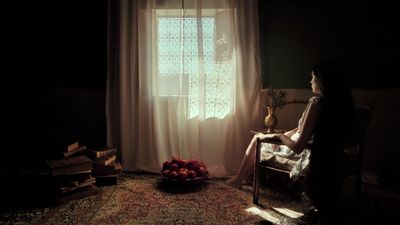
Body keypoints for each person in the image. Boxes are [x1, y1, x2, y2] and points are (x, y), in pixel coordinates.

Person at [226, 60, 354, 223]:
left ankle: (238, 179)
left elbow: (298, 146)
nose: (310, 81)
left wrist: (280, 136)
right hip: (331, 155)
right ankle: (243, 177)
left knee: (258, 137)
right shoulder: (344, 104)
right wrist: (285, 133)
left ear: (321, 80)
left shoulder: (317, 103)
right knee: (266, 137)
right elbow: (306, 129)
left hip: (309, 153)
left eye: (312, 77)